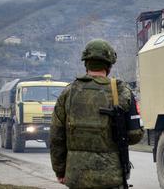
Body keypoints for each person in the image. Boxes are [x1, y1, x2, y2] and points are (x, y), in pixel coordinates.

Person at [50, 39, 144, 188]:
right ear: (109, 65)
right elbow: (134, 135)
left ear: (86, 63)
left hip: (76, 177)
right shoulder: (122, 91)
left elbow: (56, 137)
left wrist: (60, 171)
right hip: (111, 178)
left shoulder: (68, 93)